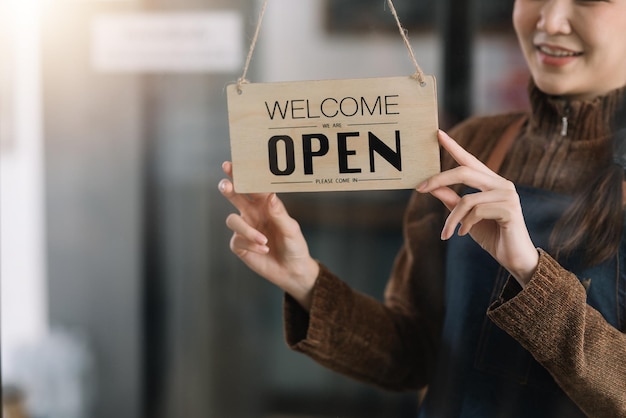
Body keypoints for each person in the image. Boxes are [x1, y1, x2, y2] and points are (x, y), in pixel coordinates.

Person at [219, 0, 626, 416]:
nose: (550, 21)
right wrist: (304, 279)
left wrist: (530, 274)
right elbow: (412, 352)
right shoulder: (470, 145)